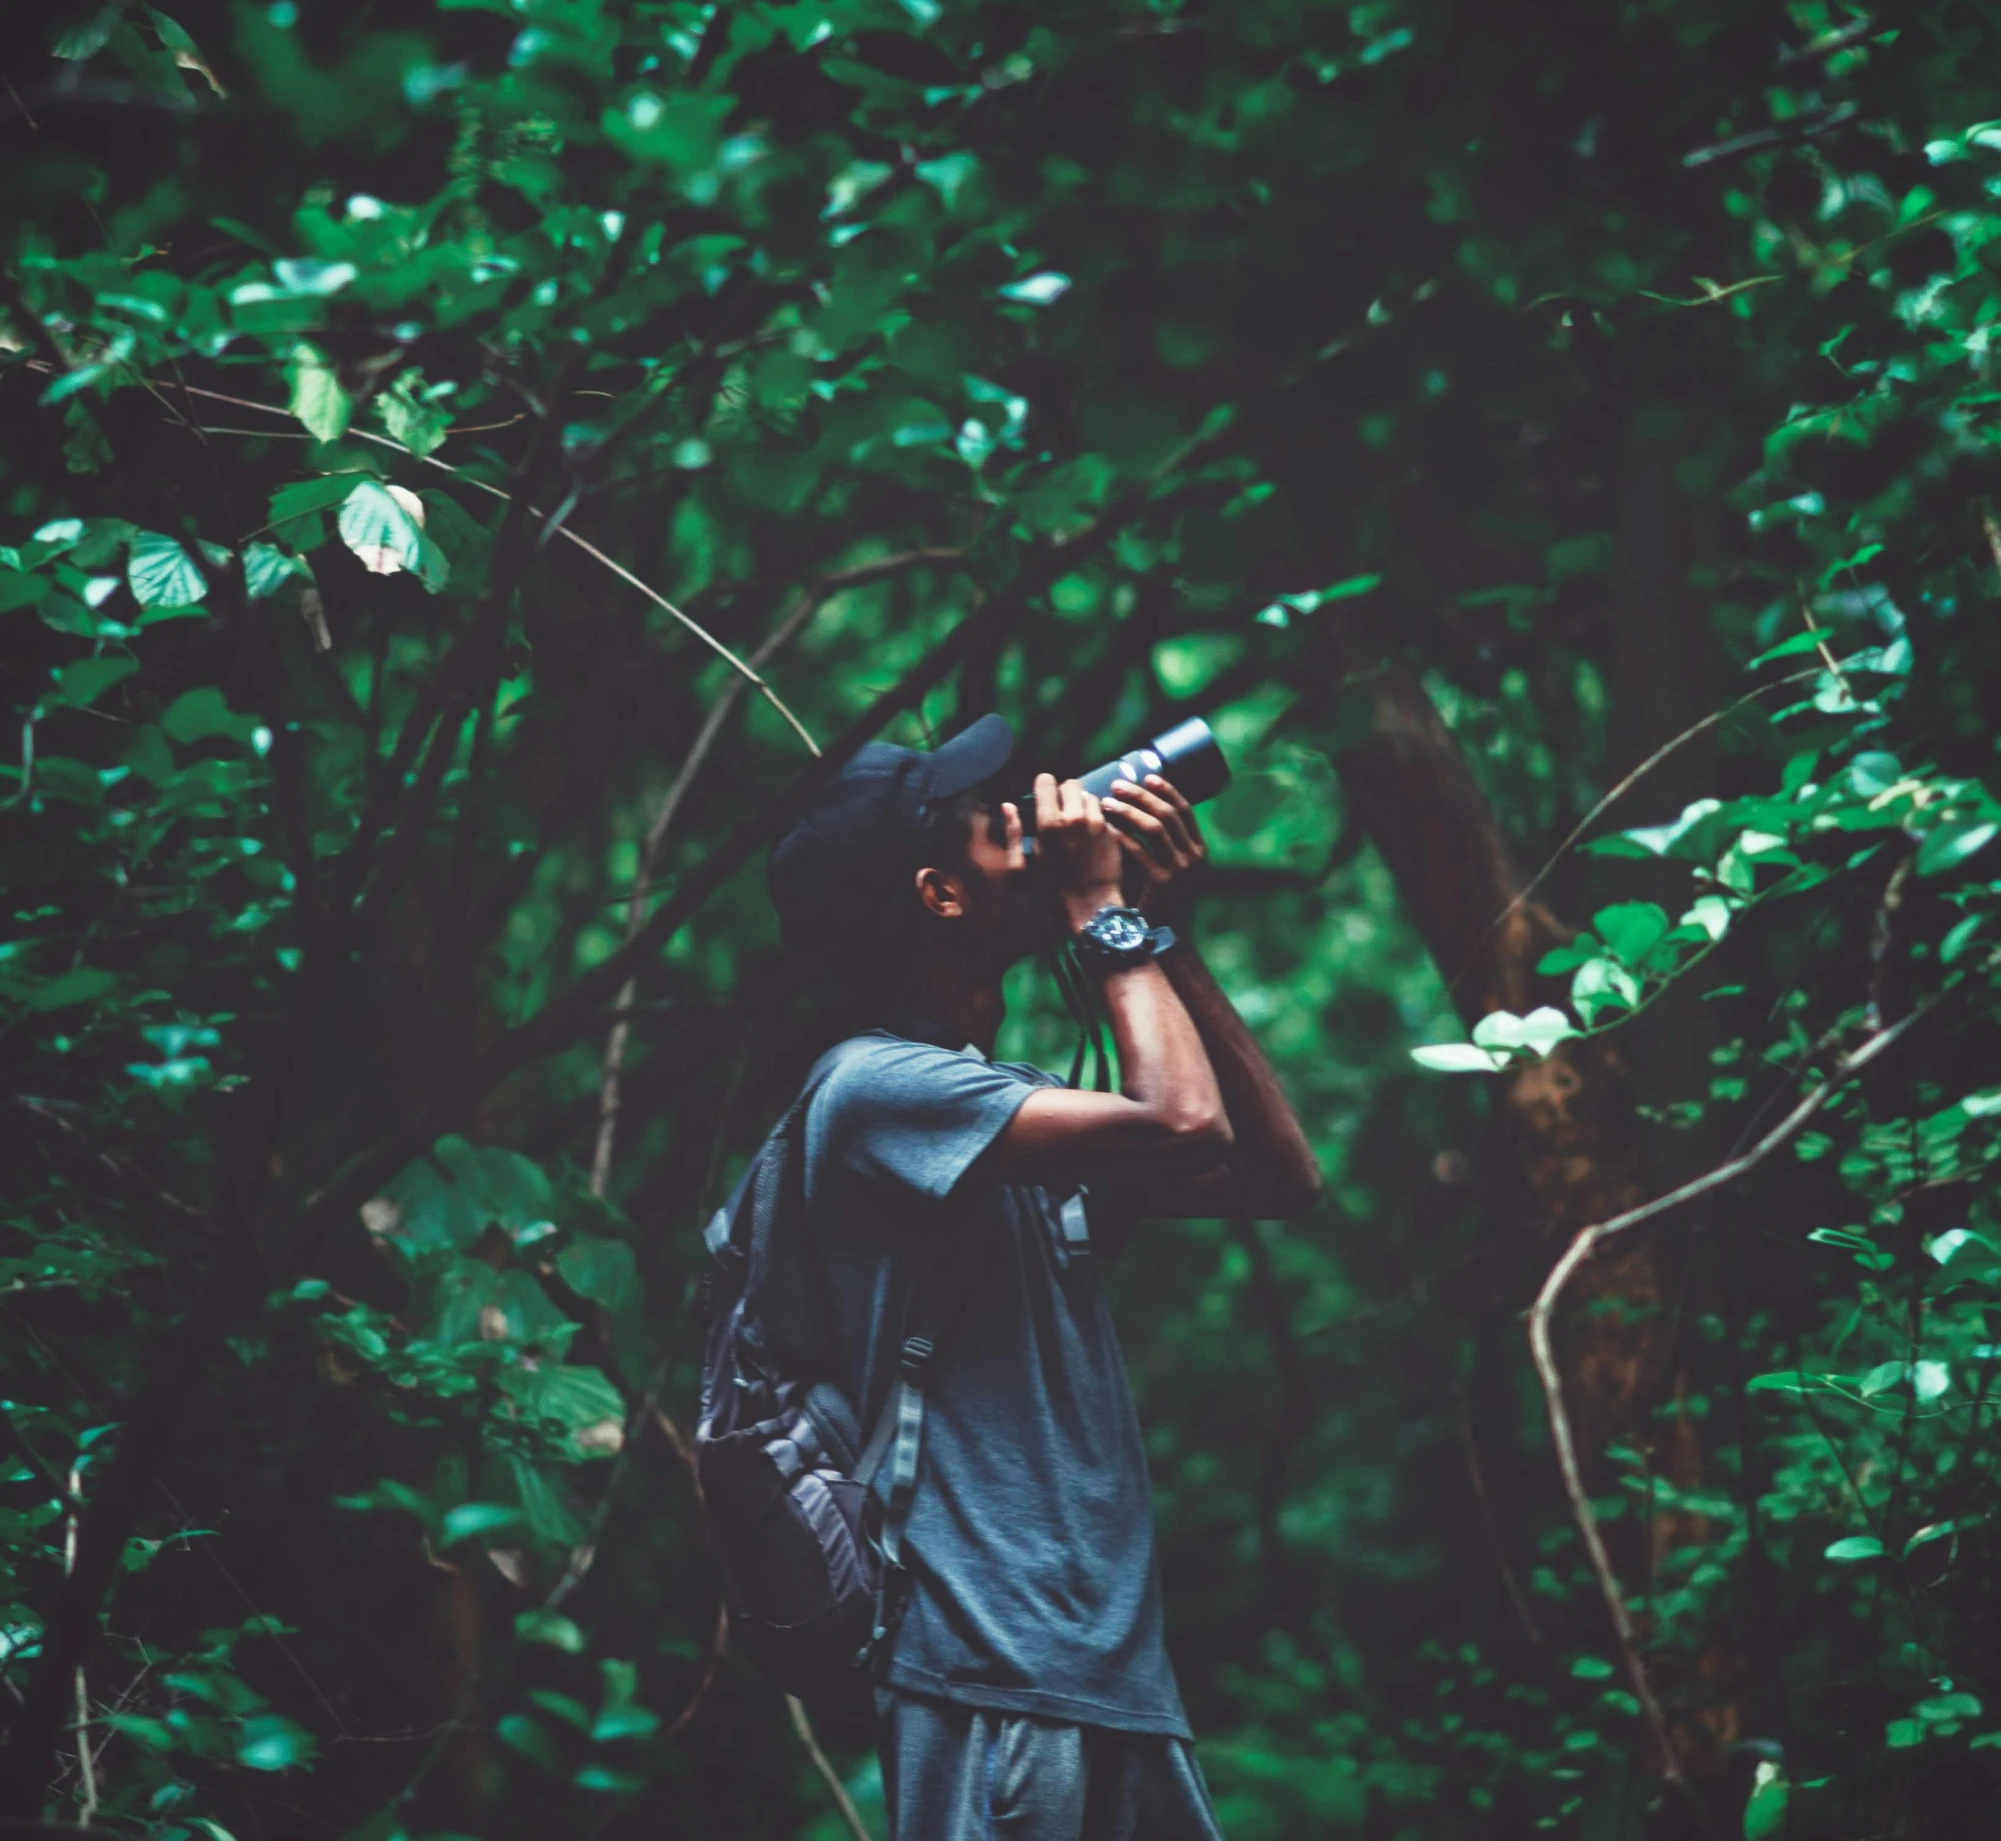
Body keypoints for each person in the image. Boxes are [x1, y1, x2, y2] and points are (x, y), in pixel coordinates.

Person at [764, 714, 1320, 1840]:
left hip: (1107, 1671)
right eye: (996, 819)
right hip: (988, 1674)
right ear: (941, 894)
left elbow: (1271, 1173)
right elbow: (1179, 1115)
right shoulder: (871, 1090)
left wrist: (1161, 937)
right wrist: (1103, 914)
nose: (1037, 817)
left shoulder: (1013, 1104)